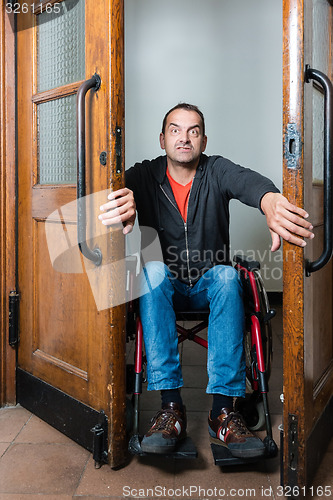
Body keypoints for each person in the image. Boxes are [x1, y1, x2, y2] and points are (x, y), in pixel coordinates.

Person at [98, 103, 314, 458]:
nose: (184, 138)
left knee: (229, 276)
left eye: (193, 130)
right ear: (162, 138)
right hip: (162, 286)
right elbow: (107, 187)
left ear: (204, 139)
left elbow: (248, 181)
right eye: (175, 130)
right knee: (150, 272)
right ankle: (171, 408)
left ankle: (223, 412)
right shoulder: (143, 176)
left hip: (208, 286)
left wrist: (270, 198)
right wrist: (114, 200)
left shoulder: (216, 170)